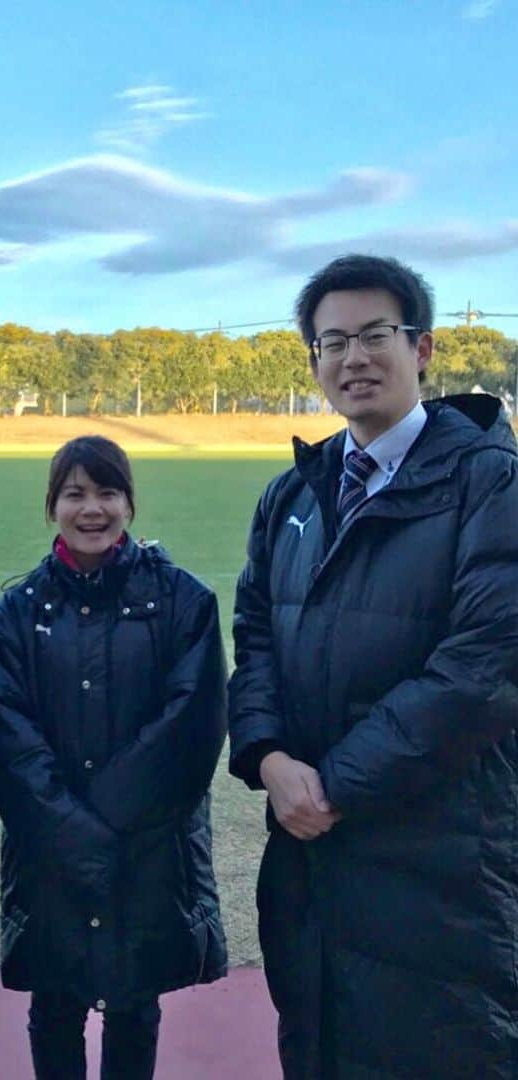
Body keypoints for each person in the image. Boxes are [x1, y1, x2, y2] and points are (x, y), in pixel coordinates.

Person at [228, 254, 518, 1078]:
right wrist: (271, 758)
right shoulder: (292, 496)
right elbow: (254, 637)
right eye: (332, 342)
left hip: (438, 866)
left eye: (374, 335)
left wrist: (336, 785)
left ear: (422, 348)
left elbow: (485, 668)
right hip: (312, 866)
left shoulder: (489, 483)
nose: (353, 357)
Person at [0, 435, 227, 1080]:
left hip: (146, 852)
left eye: (108, 492)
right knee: (55, 1006)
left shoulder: (184, 602)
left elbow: (190, 729)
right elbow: (13, 746)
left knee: (134, 1005)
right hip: (49, 855)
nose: (92, 509)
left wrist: (108, 825)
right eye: (75, 494)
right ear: (52, 505)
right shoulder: (11, 618)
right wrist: (72, 831)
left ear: (129, 503)